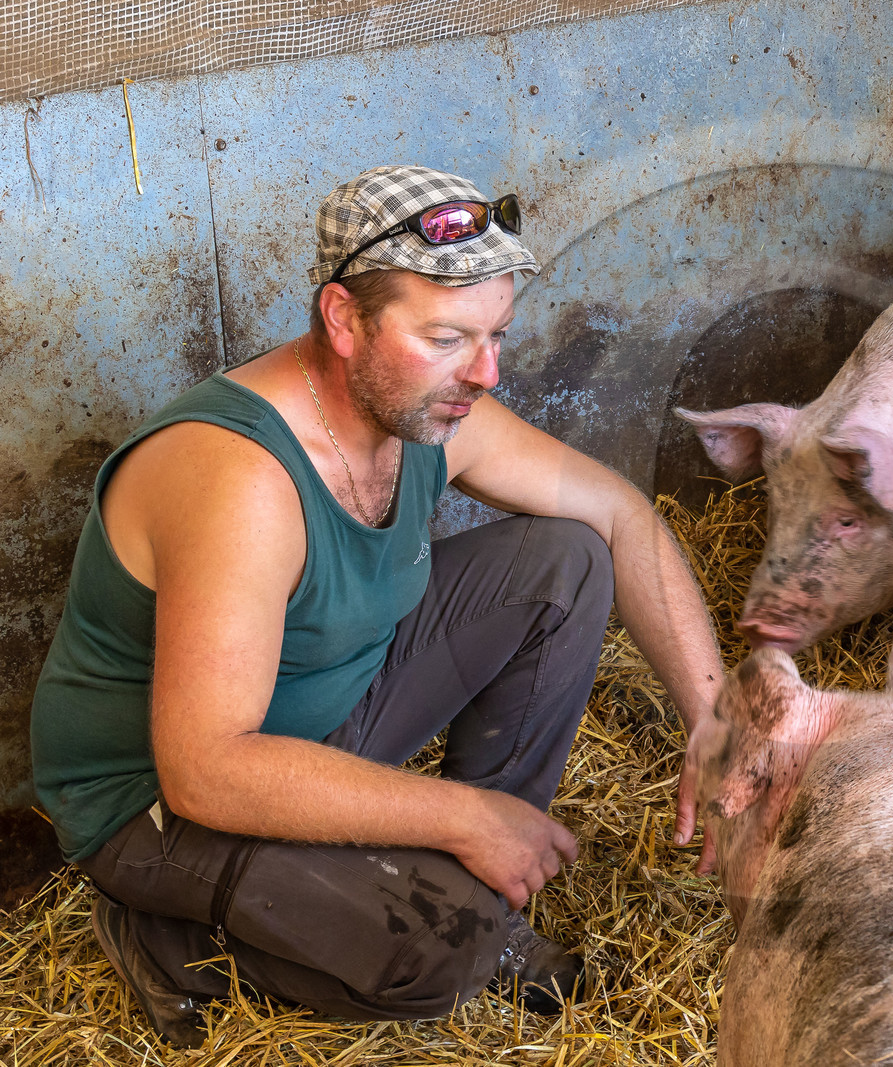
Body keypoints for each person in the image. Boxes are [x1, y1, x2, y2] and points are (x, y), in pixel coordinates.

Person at [29, 165, 724, 1047]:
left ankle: (476, 885)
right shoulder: (242, 480)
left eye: (497, 334)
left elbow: (623, 516)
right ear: (344, 320)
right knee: (440, 958)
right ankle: (170, 935)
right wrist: (465, 816)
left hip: (318, 718)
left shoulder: (434, 408)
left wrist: (714, 720)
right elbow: (203, 769)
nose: (486, 372)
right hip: (161, 802)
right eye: (445, 338)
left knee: (567, 560)